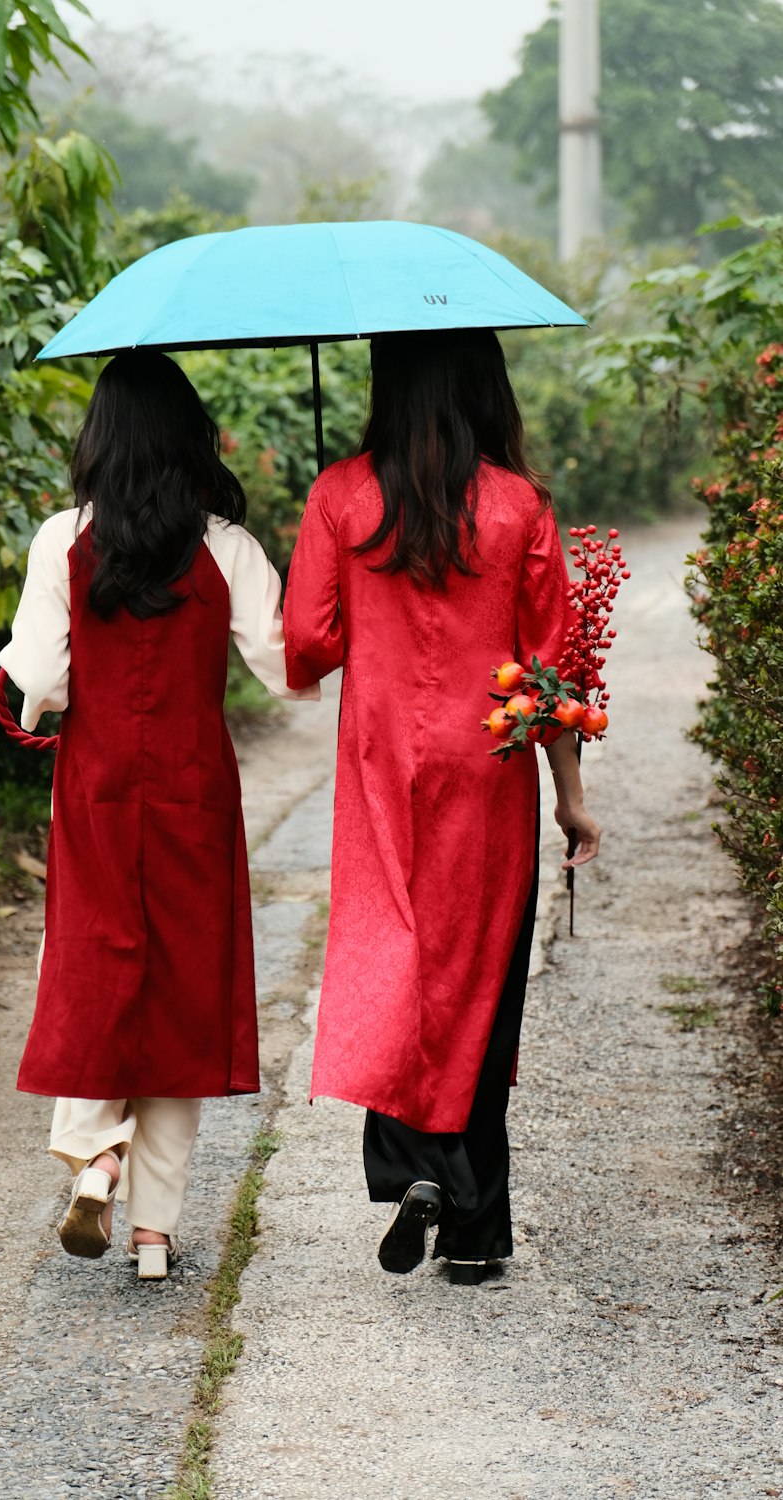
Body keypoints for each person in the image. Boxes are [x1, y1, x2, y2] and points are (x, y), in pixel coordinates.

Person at [283, 329, 600, 1284]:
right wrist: (573, 800)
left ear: (385, 382)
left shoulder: (342, 494)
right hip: (488, 772)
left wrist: (336, 540)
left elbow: (308, 639)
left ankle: (410, 1164)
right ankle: (472, 1228)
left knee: (394, 961)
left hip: (382, 770)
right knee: (479, 983)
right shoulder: (520, 507)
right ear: (483, 384)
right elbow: (552, 675)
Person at [0, 349, 315, 1280]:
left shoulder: (64, 538)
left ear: (98, 439)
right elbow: (287, 668)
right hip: (194, 791)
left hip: (96, 790)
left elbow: (45, 681)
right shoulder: (226, 545)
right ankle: (153, 1235)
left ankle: (95, 1153)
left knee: (92, 968)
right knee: (182, 989)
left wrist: (24, 698)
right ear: (191, 439)